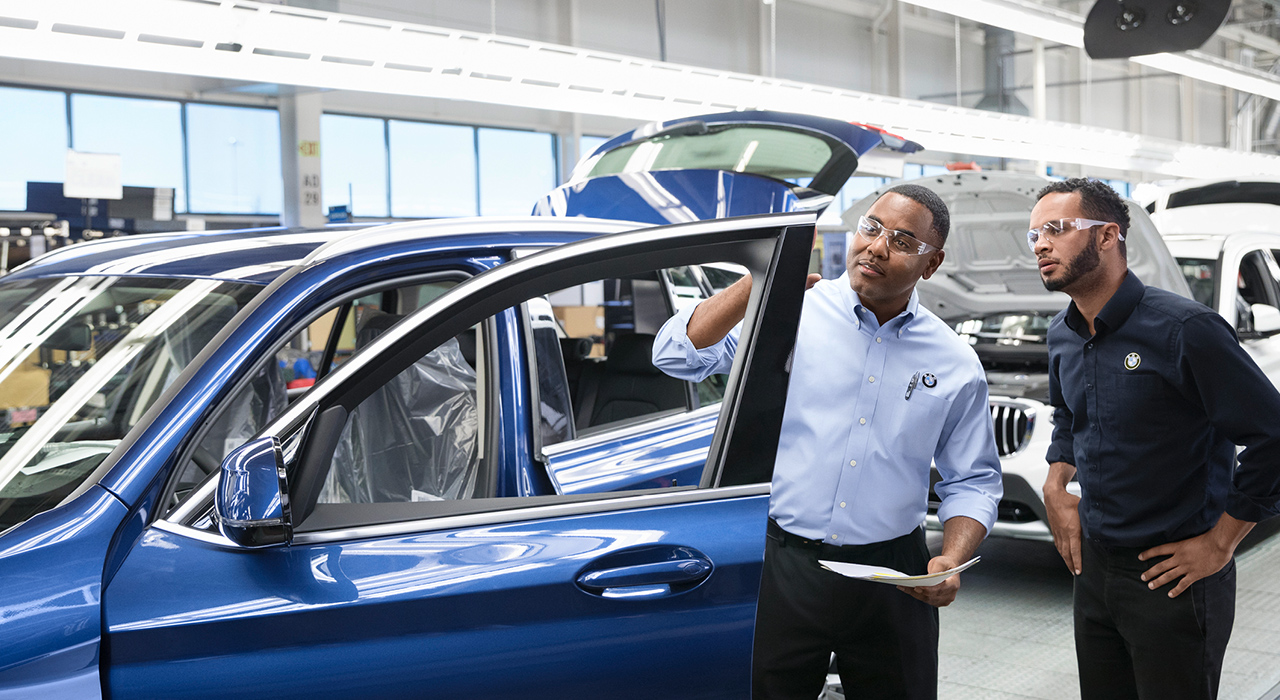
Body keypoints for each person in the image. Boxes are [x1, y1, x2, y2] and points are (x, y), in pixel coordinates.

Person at [652, 184, 1003, 700]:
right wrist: (760, 284)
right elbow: (675, 355)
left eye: (904, 241)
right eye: (872, 227)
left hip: (895, 577)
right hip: (786, 568)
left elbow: (973, 479)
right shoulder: (792, 311)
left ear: (932, 264)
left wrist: (951, 557)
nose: (878, 247)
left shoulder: (953, 360)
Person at [1033, 178, 1280, 700]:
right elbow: (1065, 416)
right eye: (1033, 235)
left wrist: (1221, 543)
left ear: (1107, 237)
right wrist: (1057, 482)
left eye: (1056, 229)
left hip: (1175, 577)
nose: (1040, 245)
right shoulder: (1062, 333)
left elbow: (1272, 436)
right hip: (1094, 573)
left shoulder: (1186, 330)